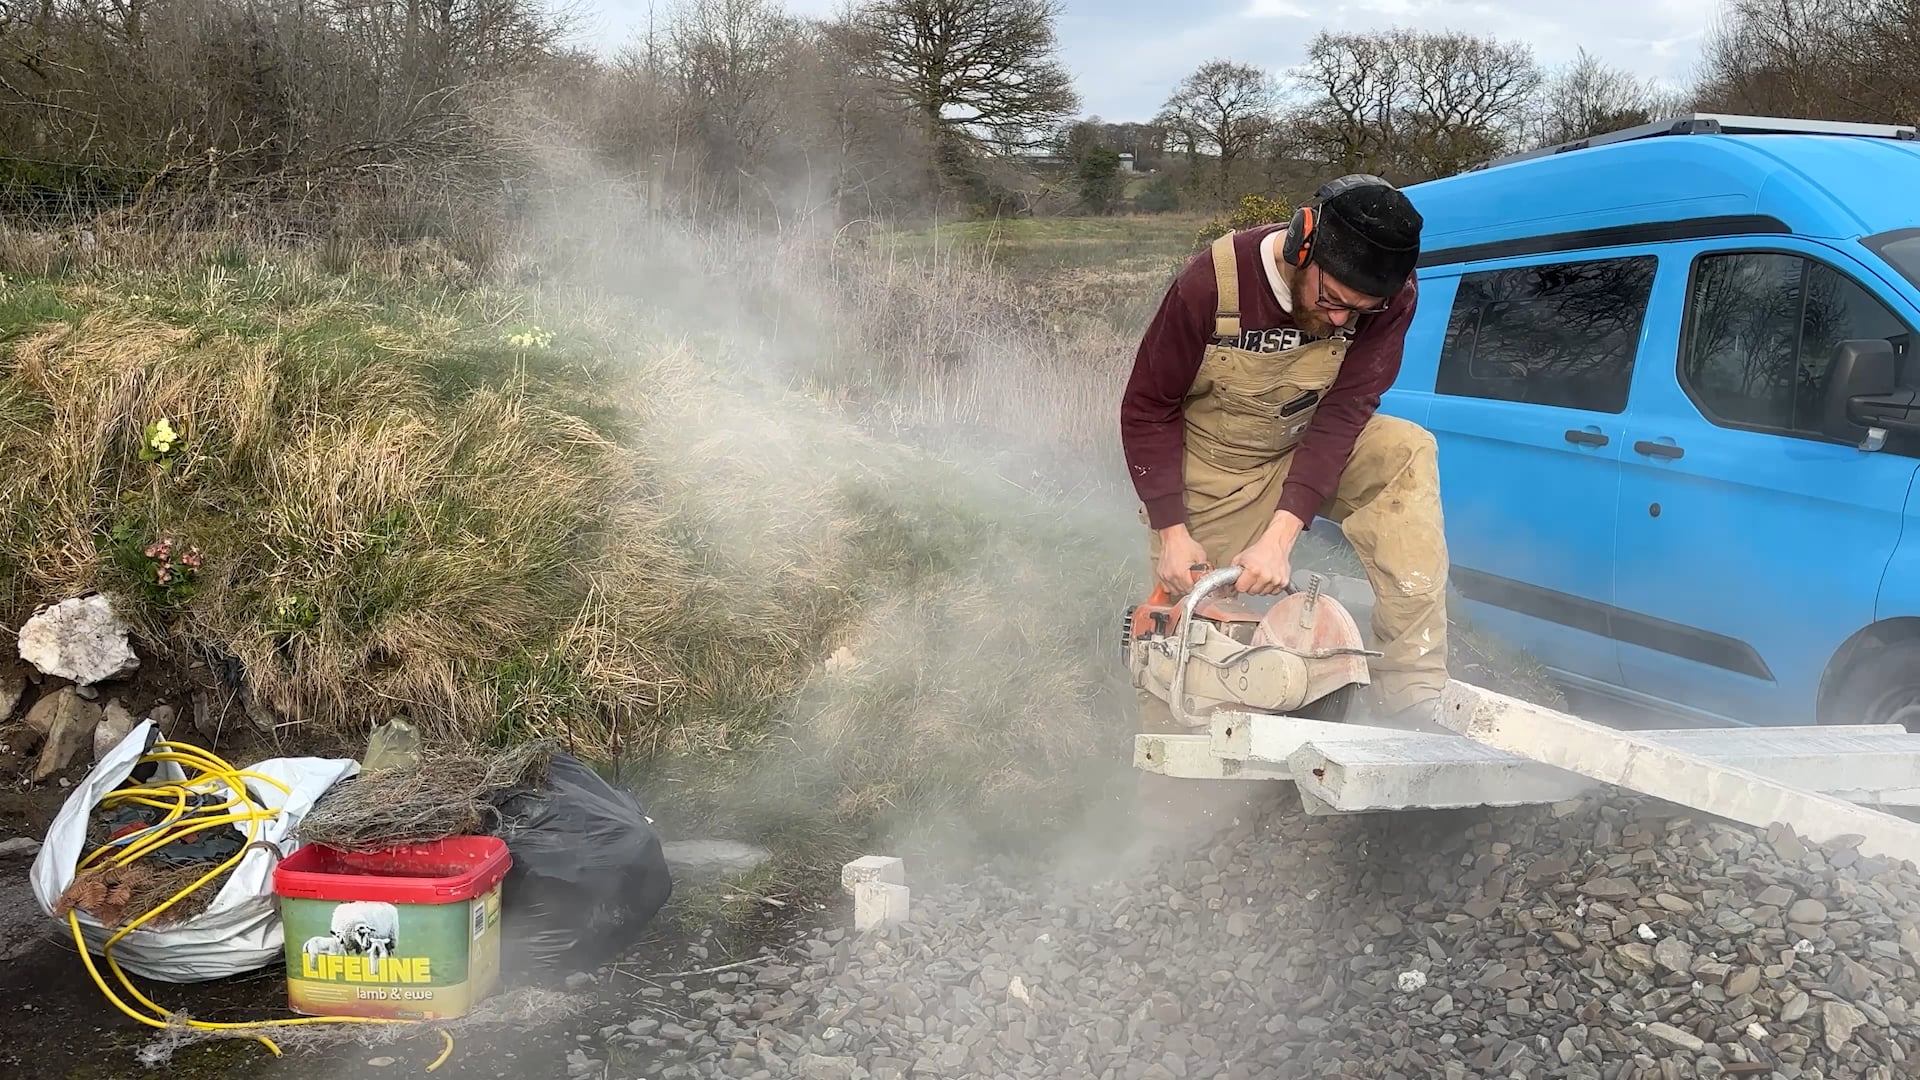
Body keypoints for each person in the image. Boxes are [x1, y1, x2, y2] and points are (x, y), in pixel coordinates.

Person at [1118, 174, 1449, 730]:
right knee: (1197, 638)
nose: (1341, 320)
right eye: (1332, 300)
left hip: (1307, 440)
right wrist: (1172, 532)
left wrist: (1280, 537)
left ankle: (1412, 694)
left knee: (1405, 451)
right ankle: (1171, 765)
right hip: (1219, 462)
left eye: (1359, 311)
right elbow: (1148, 407)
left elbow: (1345, 410)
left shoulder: (1393, 296)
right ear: (1302, 245)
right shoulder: (1211, 283)